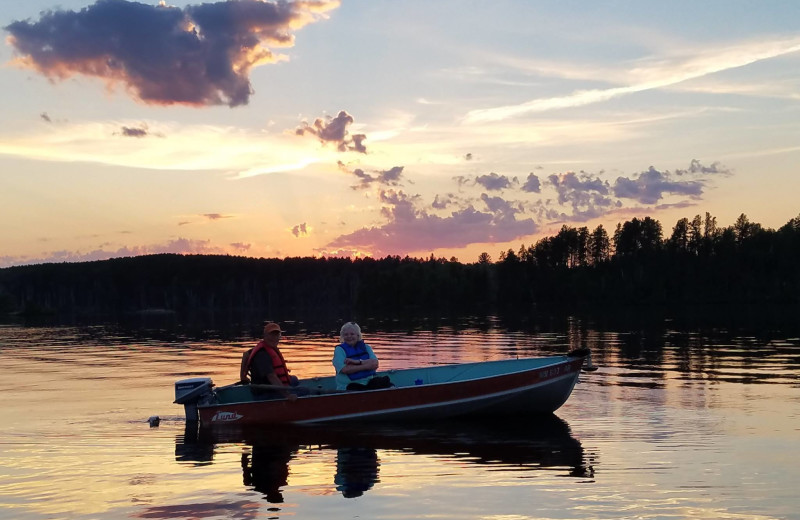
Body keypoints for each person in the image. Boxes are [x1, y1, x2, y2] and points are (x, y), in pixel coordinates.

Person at [332, 322, 391, 391]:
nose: (349, 336)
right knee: (354, 387)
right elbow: (345, 369)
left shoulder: (366, 347)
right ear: (342, 336)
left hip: (368, 383)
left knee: (387, 382)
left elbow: (375, 364)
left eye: (352, 334)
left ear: (358, 335)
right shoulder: (339, 350)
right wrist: (367, 365)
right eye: (346, 334)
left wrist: (357, 362)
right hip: (349, 386)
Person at [241, 322, 299, 390]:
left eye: (277, 335)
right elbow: (272, 377)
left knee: (294, 379)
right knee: (305, 392)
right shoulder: (262, 355)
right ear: (265, 336)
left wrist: (242, 376)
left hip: (272, 385)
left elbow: (246, 354)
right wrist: (288, 395)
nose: (275, 338)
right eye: (271, 335)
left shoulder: (266, 347)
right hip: (267, 391)